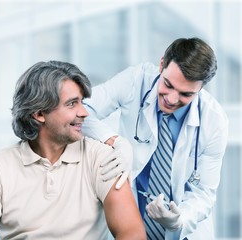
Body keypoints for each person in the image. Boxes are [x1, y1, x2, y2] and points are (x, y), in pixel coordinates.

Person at [0, 60, 146, 240]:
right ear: (39, 114)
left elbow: (132, 232)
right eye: (72, 104)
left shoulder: (101, 158)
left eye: (82, 102)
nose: (84, 112)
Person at [82, 37, 229, 240]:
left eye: (186, 94)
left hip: (185, 232)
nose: (171, 99)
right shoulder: (136, 80)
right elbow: (82, 110)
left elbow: (204, 192)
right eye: (168, 84)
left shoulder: (214, 121)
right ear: (161, 64)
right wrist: (115, 141)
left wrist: (179, 220)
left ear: (201, 88)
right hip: (133, 221)